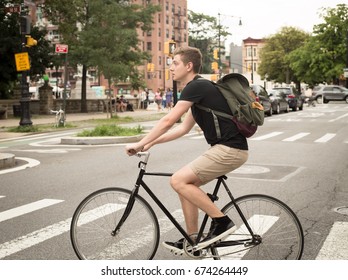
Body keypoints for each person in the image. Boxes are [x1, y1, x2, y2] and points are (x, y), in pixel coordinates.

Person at [125, 46, 248, 254]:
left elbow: (168, 120)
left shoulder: (195, 87)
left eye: (175, 63)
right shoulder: (200, 90)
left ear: (189, 66)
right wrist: (149, 144)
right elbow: (182, 128)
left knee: (178, 180)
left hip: (229, 149)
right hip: (228, 149)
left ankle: (222, 222)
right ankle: (195, 242)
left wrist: (139, 143)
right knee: (184, 184)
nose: (171, 68)